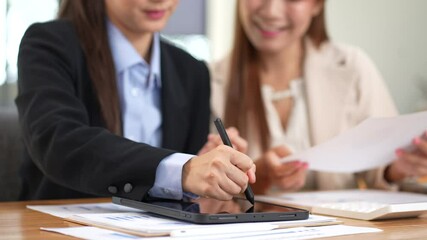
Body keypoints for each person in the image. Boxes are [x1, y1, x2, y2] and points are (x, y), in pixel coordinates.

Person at [16, 0, 255, 201]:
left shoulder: (192, 71)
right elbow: (59, 142)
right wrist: (181, 169)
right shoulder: (48, 44)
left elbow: (180, 196)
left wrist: (200, 163)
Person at [210, 0, 427, 194]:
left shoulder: (352, 68)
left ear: (317, 4)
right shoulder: (208, 81)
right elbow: (200, 189)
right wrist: (255, 180)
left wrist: (395, 169)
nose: (272, 11)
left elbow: (380, 166)